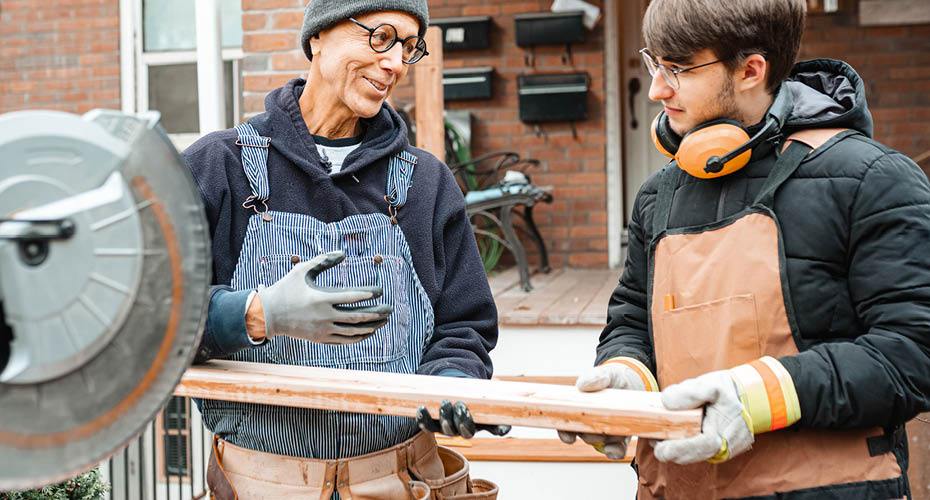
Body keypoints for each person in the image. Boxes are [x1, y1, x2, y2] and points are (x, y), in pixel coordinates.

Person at [559, 0, 930, 497]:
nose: (656, 89)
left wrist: (760, 396)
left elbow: (911, 352)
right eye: (654, 63)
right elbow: (631, 319)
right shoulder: (658, 195)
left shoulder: (872, 180)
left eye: (678, 68)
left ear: (751, 69)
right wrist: (627, 376)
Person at [182, 1, 508, 498]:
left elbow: (465, 325)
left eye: (408, 46)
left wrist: (450, 380)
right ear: (318, 37)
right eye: (381, 37)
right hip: (259, 483)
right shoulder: (218, 168)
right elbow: (150, 320)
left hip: (401, 480)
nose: (396, 63)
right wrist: (254, 313)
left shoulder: (424, 184)